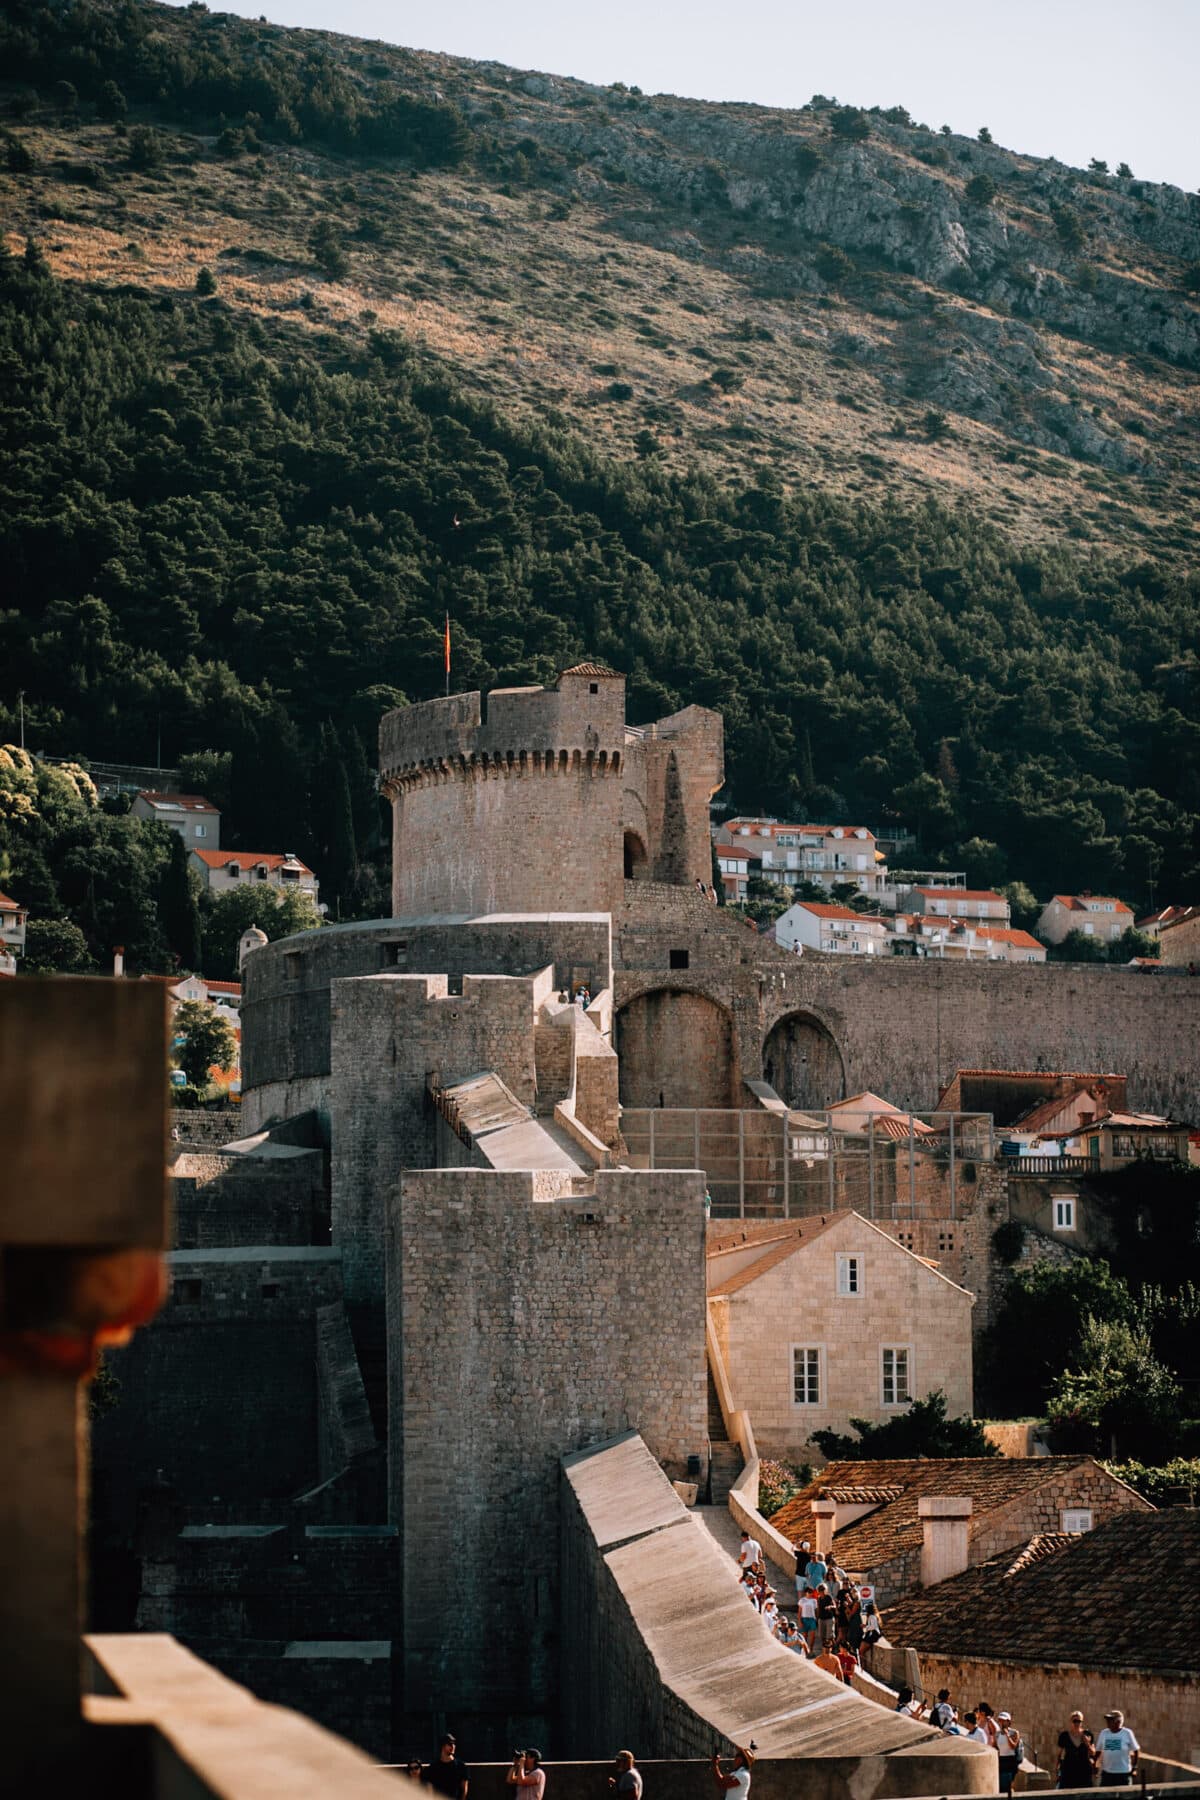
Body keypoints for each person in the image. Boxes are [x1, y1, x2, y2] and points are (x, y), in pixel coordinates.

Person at [1094, 1711, 1139, 1787]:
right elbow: (1098, 1750)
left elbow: (1136, 1750)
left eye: (1110, 1719)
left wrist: (1134, 1767)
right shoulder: (1104, 1733)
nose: (1107, 1722)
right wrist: (1094, 1764)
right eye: (1107, 1719)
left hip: (1123, 1773)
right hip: (1107, 1773)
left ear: (1118, 1721)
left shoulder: (1127, 1733)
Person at [1057, 1712, 1096, 1789]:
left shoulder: (1088, 1734)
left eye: (1079, 1721)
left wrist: (1087, 1743)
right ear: (1071, 1721)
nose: (1077, 1723)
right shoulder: (1064, 1736)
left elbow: (1093, 1753)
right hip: (1068, 1769)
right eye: (1075, 1721)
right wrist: (1057, 1769)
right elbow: (1059, 1753)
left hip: (1083, 1770)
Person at [424, 1735, 469, 1800]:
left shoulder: (461, 1766)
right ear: (443, 1746)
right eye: (450, 1744)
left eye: (454, 1744)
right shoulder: (433, 1768)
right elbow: (430, 1790)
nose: (453, 1746)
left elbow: (464, 1789)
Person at [996, 1712, 1021, 1795]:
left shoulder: (1014, 1733)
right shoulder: (998, 1733)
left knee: (1009, 1785)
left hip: (1011, 1760)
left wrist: (1007, 1735)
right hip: (1001, 1760)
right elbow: (995, 1747)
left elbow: (1013, 1746)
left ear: (1008, 1721)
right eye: (1000, 1720)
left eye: (1003, 1720)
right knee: (1001, 1785)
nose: (1001, 1722)